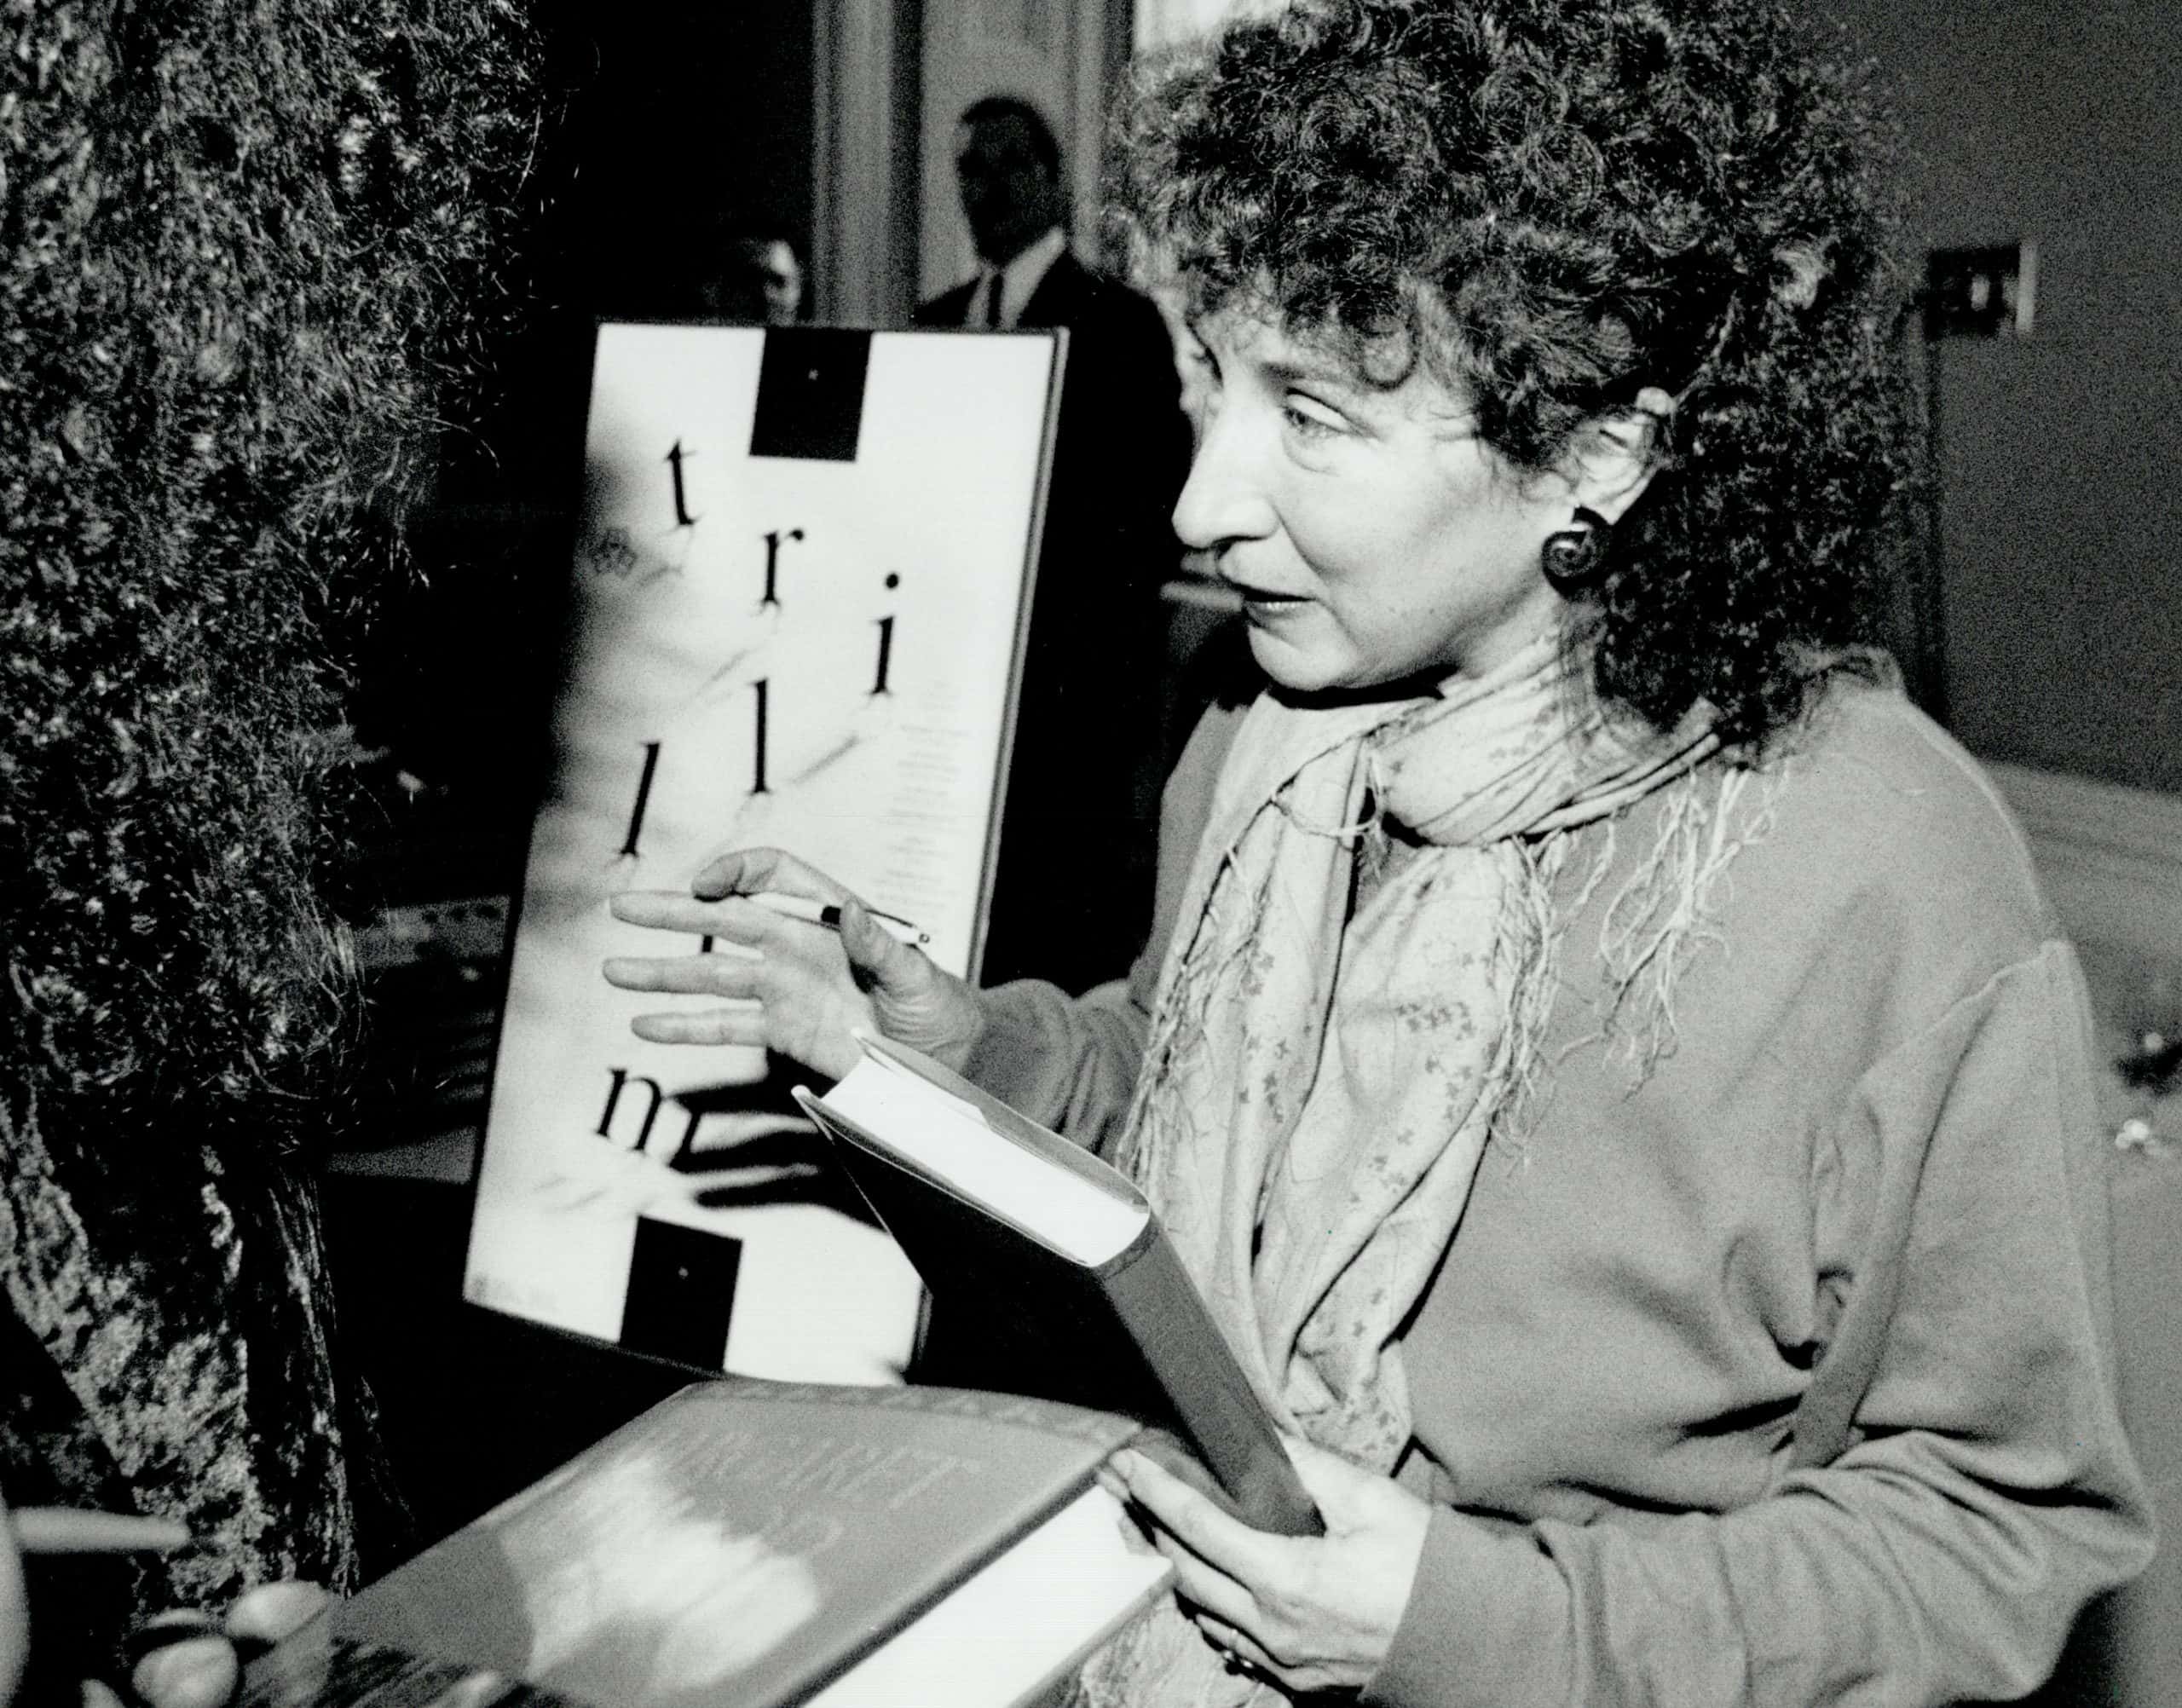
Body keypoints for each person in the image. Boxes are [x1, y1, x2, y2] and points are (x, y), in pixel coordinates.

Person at [603, 0, 2154, 1701]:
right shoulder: (1262, 727)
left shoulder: (1883, 868)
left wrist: (1462, 1624)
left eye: (1316, 415)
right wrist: (975, 1052)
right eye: (1213, 384)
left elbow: (1991, 1536)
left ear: (1595, 451)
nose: (1203, 501)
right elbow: (1177, 1069)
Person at [916, 95, 1192, 993]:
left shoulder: (1119, 322)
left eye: (1008, 166)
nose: (987, 189)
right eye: (970, 169)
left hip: (1068, 704)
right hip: (945, 687)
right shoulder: (931, 323)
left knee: (1054, 944)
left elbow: (1146, 520)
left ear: (1052, 181)